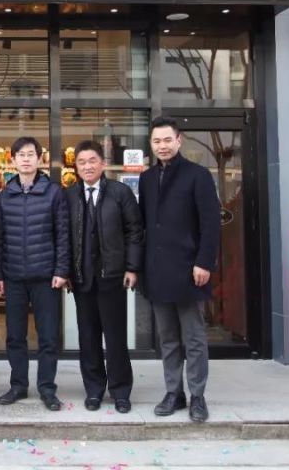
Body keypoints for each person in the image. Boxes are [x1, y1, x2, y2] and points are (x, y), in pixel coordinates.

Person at [139, 116, 221, 423]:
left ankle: (197, 395)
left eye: (167, 140)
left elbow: (211, 224)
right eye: (156, 141)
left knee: (194, 338)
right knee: (168, 338)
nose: (162, 146)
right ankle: (174, 392)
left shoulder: (198, 175)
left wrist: (204, 262)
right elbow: (146, 225)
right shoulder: (147, 179)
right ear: (151, 144)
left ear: (178, 140)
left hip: (189, 270)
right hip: (157, 271)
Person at [66, 139, 143, 414]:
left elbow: (134, 231)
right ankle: (94, 390)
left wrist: (132, 267)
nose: (87, 166)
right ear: (76, 166)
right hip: (82, 278)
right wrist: (65, 272)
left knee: (115, 337)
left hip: (113, 276)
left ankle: (120, 391)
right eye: (82, 162)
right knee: (88, 338)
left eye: (92, 161)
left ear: (103, 163)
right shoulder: (70, 195)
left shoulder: (120, 192)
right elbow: (63, 236)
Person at [0, 136, 70, 411]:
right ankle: (18, 385)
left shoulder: (54, 193)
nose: (26, 159)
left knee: (48, 336)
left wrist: (61, 270)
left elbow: (63, 234)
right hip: (14, 276)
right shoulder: (6, 195)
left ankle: (47, 388)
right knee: (15, 336)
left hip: (45, 276)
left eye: (30, 154)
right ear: (13, 160)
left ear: (40, 159)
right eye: (21, 155)